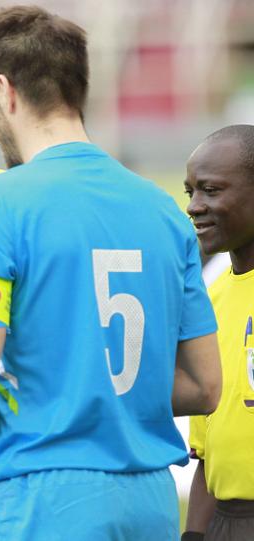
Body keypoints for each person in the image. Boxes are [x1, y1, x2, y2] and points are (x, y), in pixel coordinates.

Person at [0, 6, 222, 540]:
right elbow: (204, 387)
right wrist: (94, 385)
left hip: (43, 496)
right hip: (150, 501)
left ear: (4, 90)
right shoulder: (162, 213)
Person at [184, 125, 254, 541]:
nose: (194, 206)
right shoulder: (210, 300)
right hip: (227, 522)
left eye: (210, 190)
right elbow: (207, 458)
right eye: (189, 191)